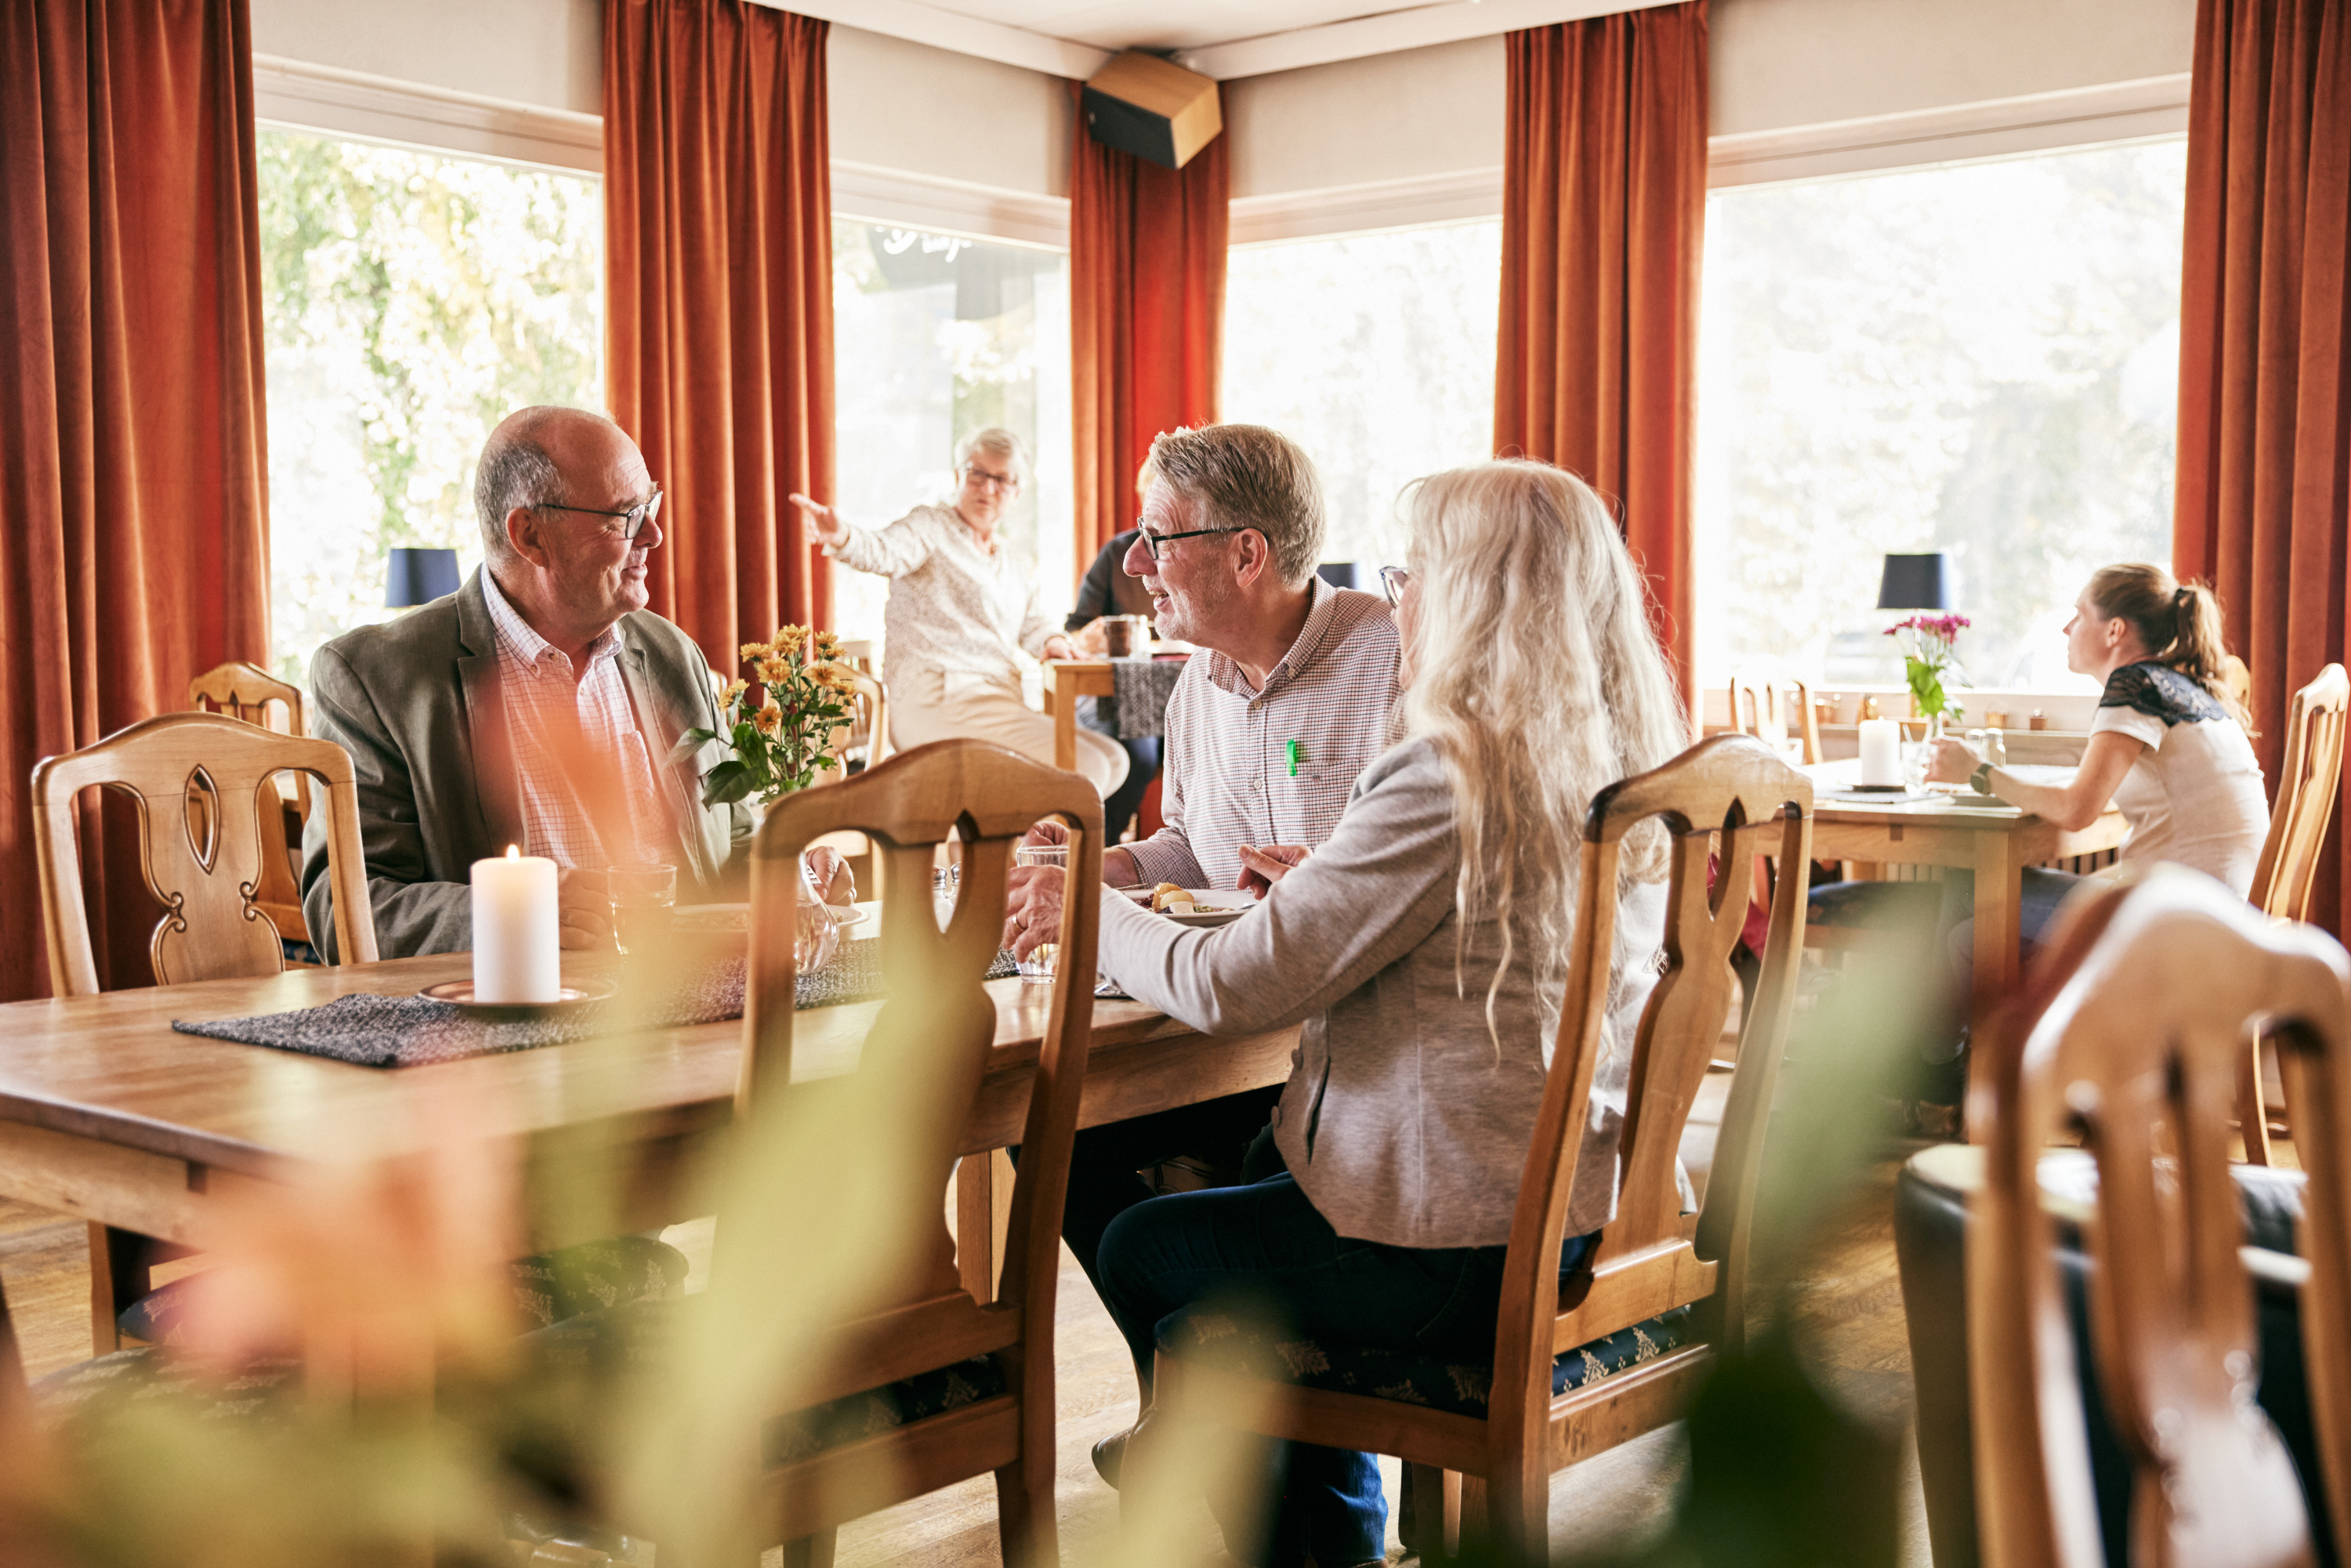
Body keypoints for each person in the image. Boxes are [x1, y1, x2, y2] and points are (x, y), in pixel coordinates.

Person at [1057, 459, 1686, 1566]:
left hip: (1459, 1243)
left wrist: (1084, 911)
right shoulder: (1612, 753)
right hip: (1598, 1210)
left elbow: (1231, 985)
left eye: (1415, 575)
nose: (1401, 601)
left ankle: (1296, 1533)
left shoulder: (1451, 768)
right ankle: (1310, 1525)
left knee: (1145, 1243)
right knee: (1259, 1161)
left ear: (1474, 595)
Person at [1000, 423, 1403, 1297]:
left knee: (1134, 1212)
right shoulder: (1195, 684)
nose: (1137, 564)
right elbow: (1188, 842)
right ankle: (1190, 1391)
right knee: (1044, 1126)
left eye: (1158, 538)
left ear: (1247, 554)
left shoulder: (1397, 666)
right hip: (1213, 1018)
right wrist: (1103, 870)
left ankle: (1236, 1380)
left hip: (1339, 1055)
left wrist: (1323, 881)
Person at [300, 406, 842, 959]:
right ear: (530, 536)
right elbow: (346, 909)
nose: (654, 534)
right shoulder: (374, 677)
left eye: (650, 505)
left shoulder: (674, 656)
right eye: (625, 515)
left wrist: (790, 875)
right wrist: (517, 915)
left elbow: (732, 848)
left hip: (699, 1016)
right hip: (506, 1029)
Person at [1922, 564, 2269, 945]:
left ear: (2115, 630)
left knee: (1969, 893)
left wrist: (1977, 771)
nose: (2067, 628)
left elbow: (2076, 811)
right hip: (2222, 911)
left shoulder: (2135, 684)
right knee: (1969, 936)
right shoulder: (2181, 686)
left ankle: (1918, 1004)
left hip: (2179, 921)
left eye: (2080, 614)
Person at [788, 429, 1128, 798]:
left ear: (1016, 492)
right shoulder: (930, 527)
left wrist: (1054, 640)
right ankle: (1020, 843)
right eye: (977, 473)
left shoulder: (1010, 560)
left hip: (993, 699)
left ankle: (1016, 839)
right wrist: (842, 537)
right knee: (1090, 767)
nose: (988, 488)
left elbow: (1034, 622)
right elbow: (884, 550)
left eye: (1002, 479)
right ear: (958, 476)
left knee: (1114, 759)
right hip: (935, 698)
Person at [1064, 458, 1166, 842]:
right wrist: (1107, 635)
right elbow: (1076, 629)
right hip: (1116, 695)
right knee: (1139, 758)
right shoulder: (1119, 555)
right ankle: (1100, 848)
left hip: (1174, 693)